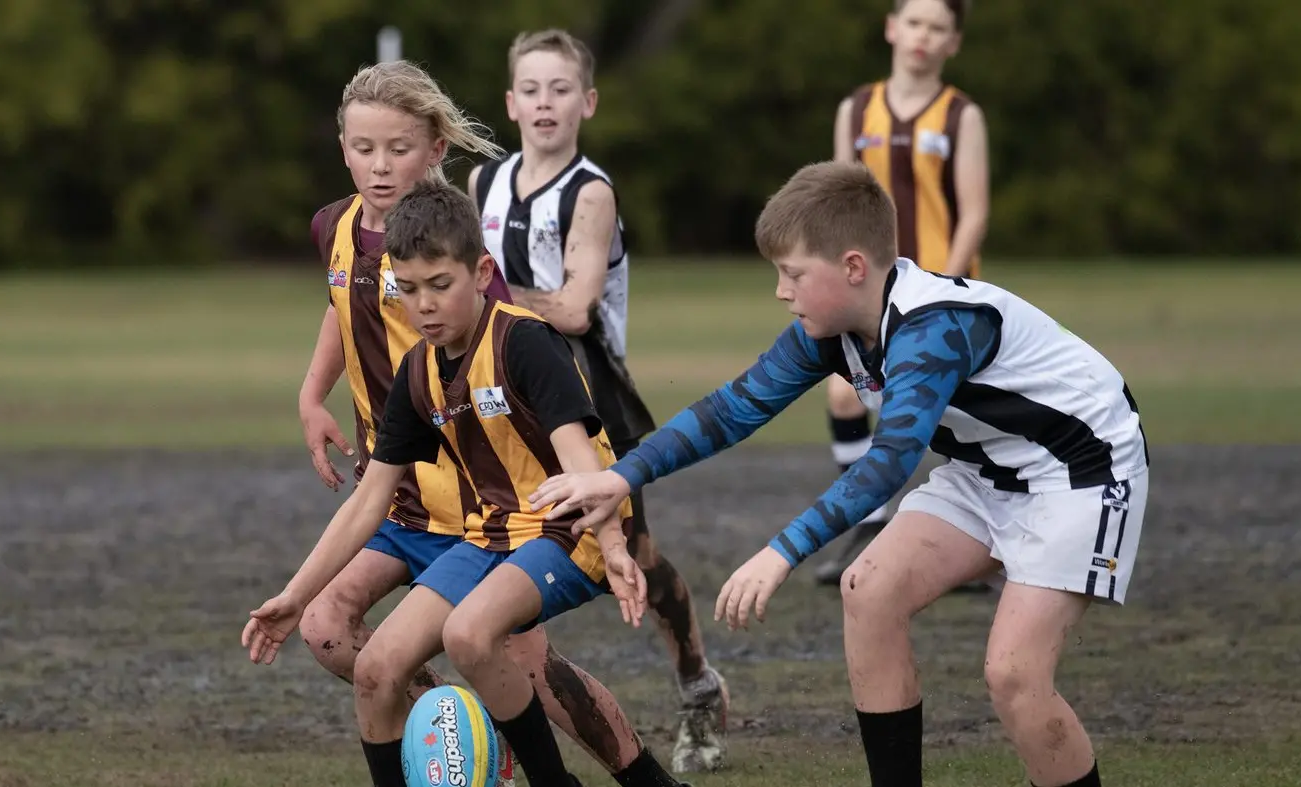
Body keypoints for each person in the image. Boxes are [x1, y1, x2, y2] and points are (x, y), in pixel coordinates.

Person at [530, 161, 1149, 787]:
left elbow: (888, 466)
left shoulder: (933, 327)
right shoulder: (834, 328)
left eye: (793, 273)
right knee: (869, 591)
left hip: (1083, 472)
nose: (781, 290)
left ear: (853, 267)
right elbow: (734, 408)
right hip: (992, 467)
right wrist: (622, 475)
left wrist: (781, 552)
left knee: (1014, 676)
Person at [279, 60, 682, 785]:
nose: (379, 165)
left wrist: (611, 534)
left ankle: (639, 776)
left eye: (397, 148)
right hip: (400, 487)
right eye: (363, 148)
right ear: (341, 146)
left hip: (487, 495)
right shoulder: (336, 231)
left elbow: (532, 398)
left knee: (518, 657)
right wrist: (314, 394)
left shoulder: (468, 265)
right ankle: (459, 744)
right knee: (333, 631)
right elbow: (344, 310)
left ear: (436, 148)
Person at [466, 28, 728, 773]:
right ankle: (508, 715)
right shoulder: (484, 181)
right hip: (499, 393)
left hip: (591, 397)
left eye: (560, 90)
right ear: (510, 101)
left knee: (635, 553)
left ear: (587, 101)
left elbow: (577, 309)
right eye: (532, 89)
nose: (545, 103)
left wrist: (478, 294)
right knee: (494, 546)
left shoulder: (590, 191)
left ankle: (697, 683)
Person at [815, 0, 992, 586]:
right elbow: (838, 198)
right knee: (844, 396)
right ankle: (871, 521)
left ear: (953, 43)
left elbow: (973, 211)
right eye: (914, 22)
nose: (923, 35)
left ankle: (975, 543)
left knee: (947, 416)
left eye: (938, 27)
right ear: (892, 28)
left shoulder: (960, 115)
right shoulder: (857, 108)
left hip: (939, 288)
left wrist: (950, 284)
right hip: (870, 287)